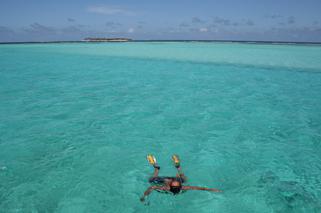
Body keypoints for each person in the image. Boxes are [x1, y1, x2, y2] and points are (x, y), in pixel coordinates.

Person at [140, 154, 221, 202]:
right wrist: (211, 190)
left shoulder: (166, 188)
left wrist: (144, 196)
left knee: (184, 180)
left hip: (168, 180)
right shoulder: (168, 187)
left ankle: (162, 168)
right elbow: (199, 188)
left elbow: (152, 187)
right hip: (164, 179)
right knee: (151, 180)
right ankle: (173, 167)